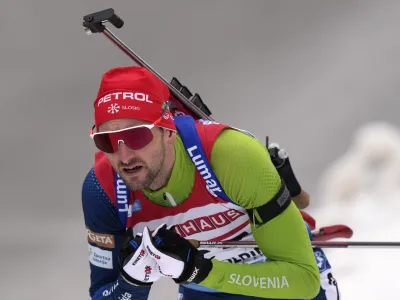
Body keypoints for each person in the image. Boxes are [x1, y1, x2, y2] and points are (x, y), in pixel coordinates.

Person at [81, 65, 339, 300]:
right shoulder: (102, 190)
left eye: (136, 137)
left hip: (278, 279)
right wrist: (132, 282)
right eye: (107, 141)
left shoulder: (231, 156)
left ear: (168, 131)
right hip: (207, 290)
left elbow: (304, 281)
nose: (124, 156)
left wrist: (199, 271)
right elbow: (104, 293)